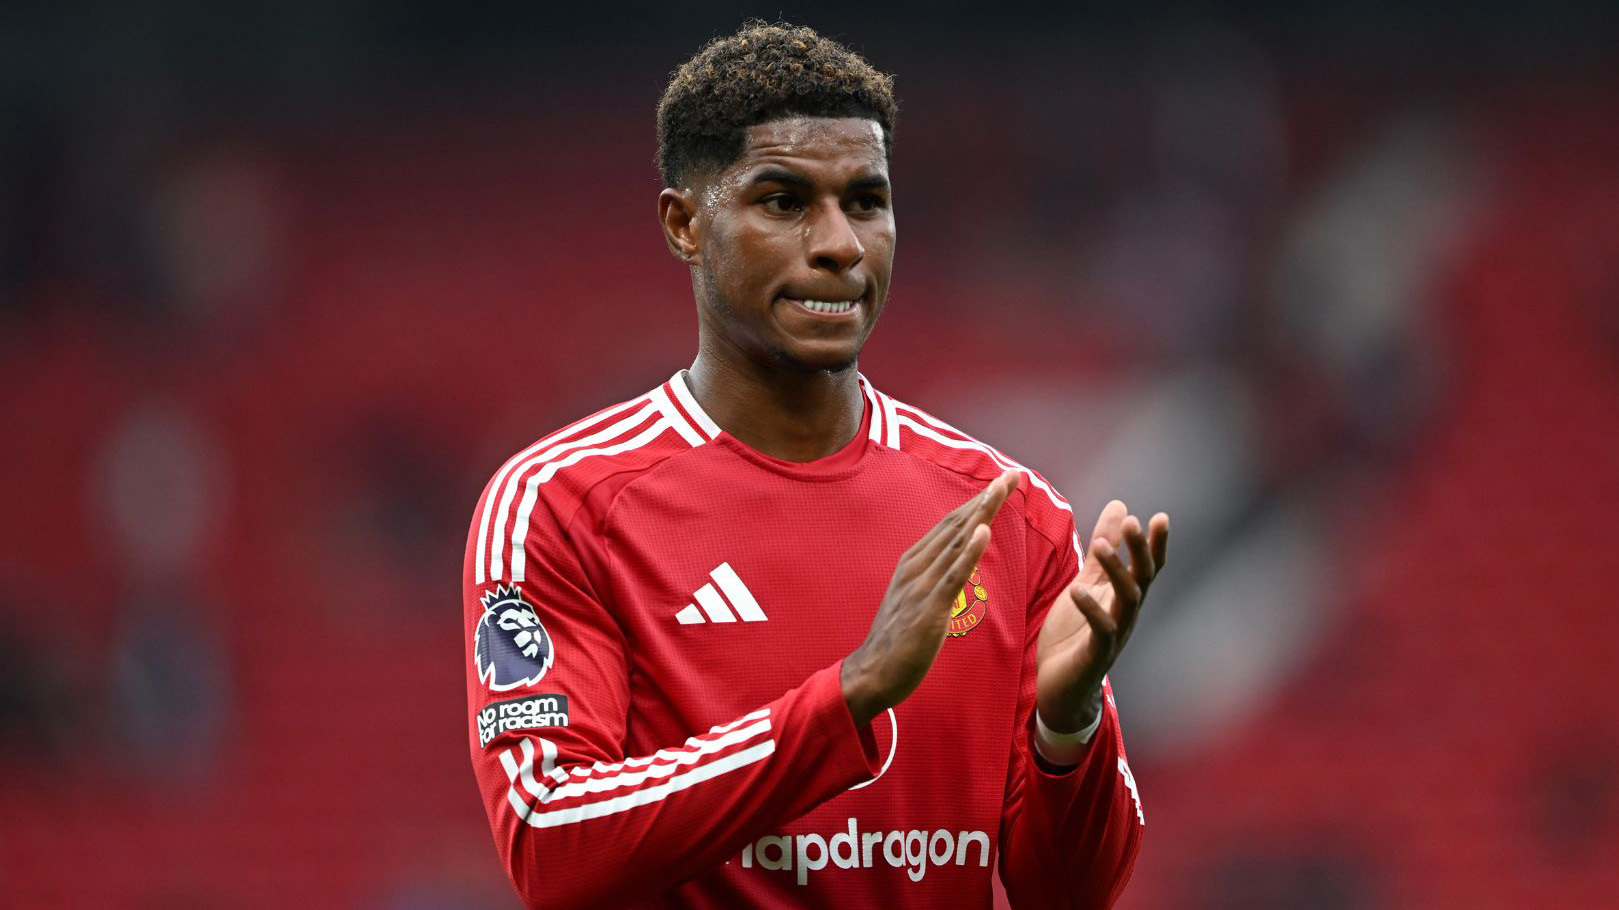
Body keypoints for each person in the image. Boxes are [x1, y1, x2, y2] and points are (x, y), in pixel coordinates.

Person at [463, 21, 1169, 909]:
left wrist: (1066, 731)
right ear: (685, 224)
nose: (840, 244)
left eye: (865, 201)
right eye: (784, 201)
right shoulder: (562, 505)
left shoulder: (1009, 515)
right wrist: (848, 698)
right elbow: (549, 842)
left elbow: (1067, 895)